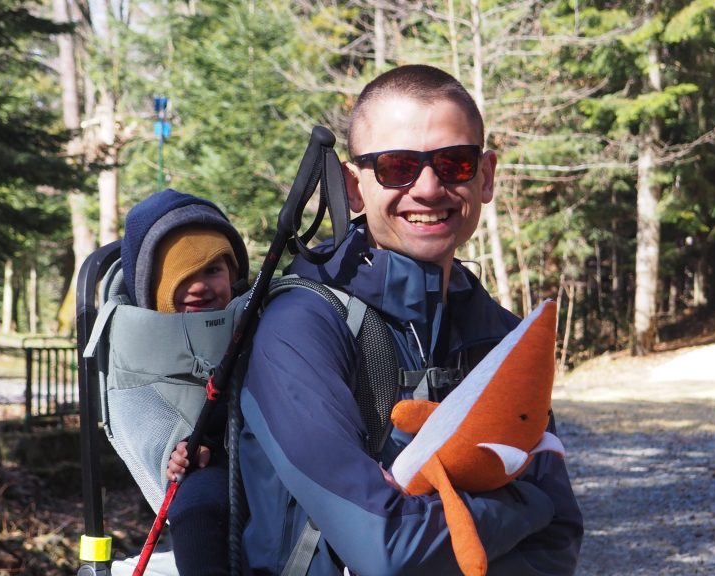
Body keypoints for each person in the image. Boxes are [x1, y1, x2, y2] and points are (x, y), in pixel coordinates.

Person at [239, 64, 583, 575]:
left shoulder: (504, 337)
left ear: (485, 176)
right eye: (396, 166)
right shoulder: (302, 326)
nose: (427, 188)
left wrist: (523, 517)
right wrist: (526, 508)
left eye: (454, 163)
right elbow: (385, 548)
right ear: (354, 188)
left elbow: (558, 546)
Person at [120, 188, 250, 576]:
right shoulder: (136, 343)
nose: (199, 286)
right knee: (196, 507)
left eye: (212, 269)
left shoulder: (256, 316)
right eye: (180, 275)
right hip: (207, 472)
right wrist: (178, 451)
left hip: (268, 454)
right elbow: (140, 419)